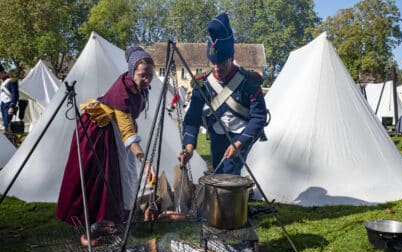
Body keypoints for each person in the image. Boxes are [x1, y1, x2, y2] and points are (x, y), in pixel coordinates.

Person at [56, 46, 155, 226]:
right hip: (97, 132)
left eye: (150, 75)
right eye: (142, 75)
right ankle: (90, 222)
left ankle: (113, 218)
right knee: (99, 179)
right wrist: (145, 161)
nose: (147, 79)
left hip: (112, 128)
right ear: (133, 72)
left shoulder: (138, 87)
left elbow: (129, 119)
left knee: (119, 174)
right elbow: (127, 132)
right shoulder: (122, 91)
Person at [178, 13, 267, 175]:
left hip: (242, 134)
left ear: (231, 58)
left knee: (230, 171)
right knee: (220, 173)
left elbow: (259, 117)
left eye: (222, 63)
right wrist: (189, 147)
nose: (217, 68)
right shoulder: (202, 84)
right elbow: (192, 118)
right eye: (213, 63)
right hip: (217, 133)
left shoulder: (249, 83)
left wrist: (239, 143)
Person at [0, 63, 19, 130]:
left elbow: (15, 95)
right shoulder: (2, 82)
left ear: (2, 72)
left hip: (9, 105)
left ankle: (10, 139)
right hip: (3, 105)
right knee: (5, 124)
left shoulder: (12, 80)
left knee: (7, 124)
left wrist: (12, 107)